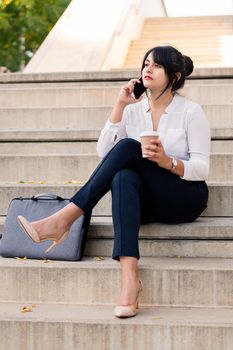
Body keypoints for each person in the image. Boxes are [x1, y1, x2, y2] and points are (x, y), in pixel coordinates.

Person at [17, 45, 210, 318]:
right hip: (145, 202)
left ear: (175, 76)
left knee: (130, 148)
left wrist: (168, 162)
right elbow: (105, 154)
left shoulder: (191, 112)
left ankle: (64, 219)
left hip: (184, 196)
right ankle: (129, 281)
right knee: (122, 176)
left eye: (156, 65)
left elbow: (202, 168)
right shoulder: (133, 110)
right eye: (145, 64)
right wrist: (119, 106)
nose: (147, 69)